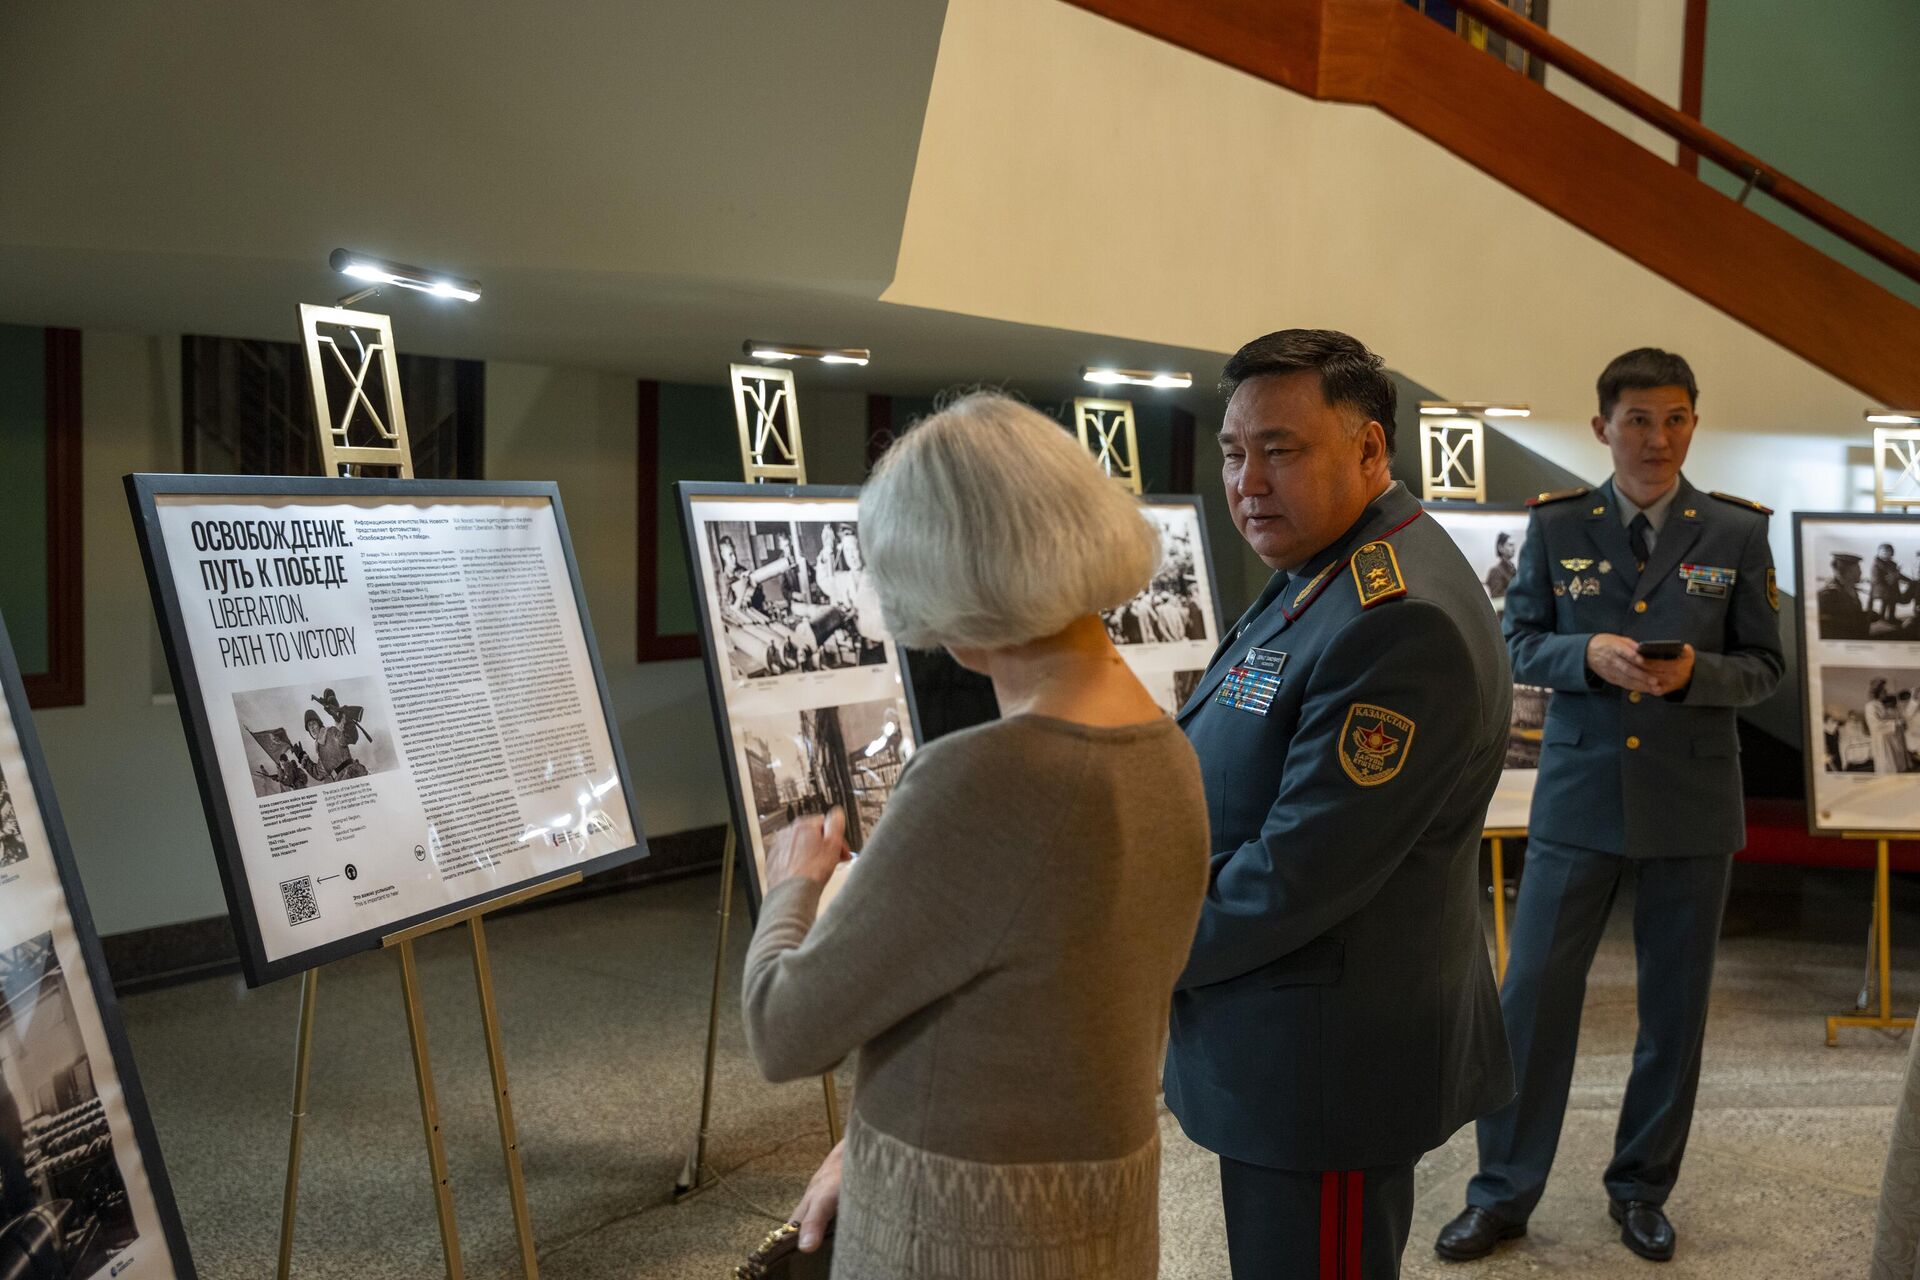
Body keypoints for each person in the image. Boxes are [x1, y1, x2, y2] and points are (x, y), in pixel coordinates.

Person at [739, 392, 1210, 1279]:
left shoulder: (988, 777)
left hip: (959, 1230)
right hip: (1095, 1222)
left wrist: (794, 885)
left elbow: (784, 1028)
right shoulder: (1164, 748)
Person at [1164, 329, 1513, 1278]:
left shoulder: (1395, 617)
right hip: (1284, 1028)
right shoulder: (1324, 571)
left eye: (1281, 450)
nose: (1248, 482)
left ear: (1369, 449)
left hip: (1323, 1060)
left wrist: (1126, 941)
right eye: (1235, 453)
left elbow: (1298, 872)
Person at [1437, 348, 1785, 1264]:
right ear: (1603, 428)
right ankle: (1502, 1194)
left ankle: (1640, 1190)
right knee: (1532, 1002)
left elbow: (1766, 668)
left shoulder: (1736, 533)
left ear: (1693, 425)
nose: (1657, 438)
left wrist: (1694, 674)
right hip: (1581, 794)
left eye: (1675, 418)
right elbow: (1517, 641)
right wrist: (1584, 656)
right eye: (1638, 419)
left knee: (1675, 1010)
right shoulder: (1558, 526)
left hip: (1692, 800)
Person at [1819, 553, 1872, 640]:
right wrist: (1863, 618)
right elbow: (1832, 626)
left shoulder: (1850, 590)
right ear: (1848, 572)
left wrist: (1865, 615)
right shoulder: (1828, 596)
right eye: (1858, 569)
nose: (1861, 572)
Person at [1867, 678, 1909, 775]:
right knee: (1887, 764)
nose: (1886, 692)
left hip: (1890, 737)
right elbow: (1875, 725)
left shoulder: (1881, 704)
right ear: (1877, 692)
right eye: (1883, 690)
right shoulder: (1870, 706)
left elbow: (1891, 717)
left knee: (1895, 763)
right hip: (1882, 739)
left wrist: (1898, 718)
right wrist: (1896, 723)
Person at [1485, 532, 1518, 599]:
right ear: (1500, 548)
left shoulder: (1514, 569)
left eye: (1514, 545)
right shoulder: (1495, 571)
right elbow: (1497, 597)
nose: (1514, 548)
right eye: (1510, 545)